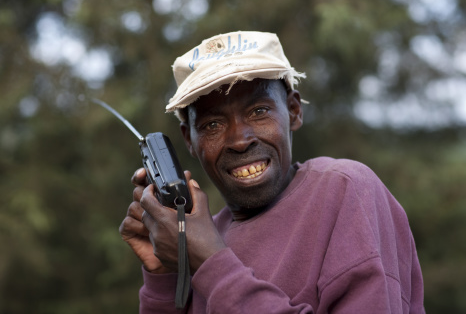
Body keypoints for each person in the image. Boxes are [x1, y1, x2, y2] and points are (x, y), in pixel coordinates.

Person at [119, 31, 425, 313]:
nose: (240, 140)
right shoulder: (205, 235)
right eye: (212, 125)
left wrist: (210, 262)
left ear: (293, 110)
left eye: (259, 111)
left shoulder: (344, 189)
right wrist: (166, 274)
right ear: (189, 140)